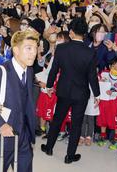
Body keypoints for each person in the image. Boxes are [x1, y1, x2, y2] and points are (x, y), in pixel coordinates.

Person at [0, 29, 39, 172]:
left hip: (24, 135)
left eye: (35, 48)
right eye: (28, 48)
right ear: (16, 50)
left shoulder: (29, 71)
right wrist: (1, 124)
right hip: (2, 137)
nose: (33, 53)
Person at [41, 17, 100, 164]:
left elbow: (54, 70)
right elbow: (92, 77)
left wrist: (49, 86)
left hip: (64, 91)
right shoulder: (90, 52)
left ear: (72, 32)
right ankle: (70, 156)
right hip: (81, 94)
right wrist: (97, 94)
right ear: (84, 34)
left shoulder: (61, 48)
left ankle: (49, 147)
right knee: (76, 124)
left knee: (57, 119)